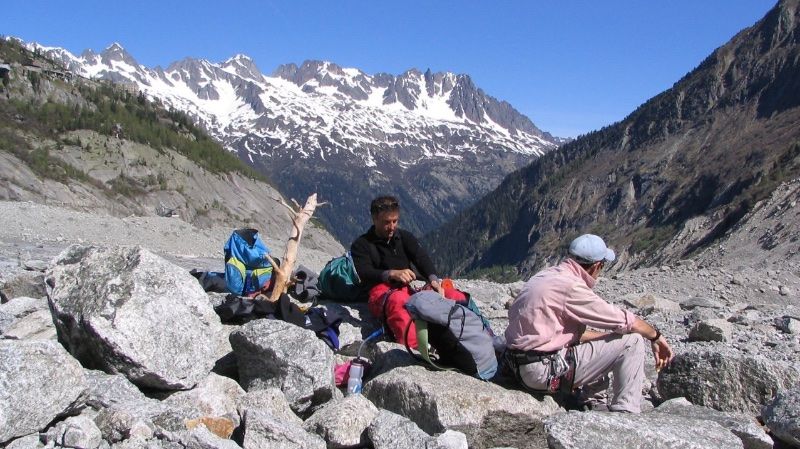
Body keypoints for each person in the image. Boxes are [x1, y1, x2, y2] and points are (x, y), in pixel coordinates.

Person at [504, 234, 674, 413]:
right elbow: (627, 322)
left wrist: (609, 339)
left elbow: (570, 335)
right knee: (633, 341)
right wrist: (656, 337)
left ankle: (588, 401)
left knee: (602, 342)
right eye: (602, 265)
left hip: (517, 366)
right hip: (541, 372)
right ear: (595, 266)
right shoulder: (571, 287)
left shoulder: (546, 275)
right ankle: (626, 412)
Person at [351, 196, 464, 347]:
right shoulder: (361, 245)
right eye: (386, 222)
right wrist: (391, 273)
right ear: (374, 219)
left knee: (451, 294)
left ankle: (470, 336)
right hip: (380, 293)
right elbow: (364, 272)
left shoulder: (404, 237)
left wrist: (434, 280)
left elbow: (421, 258)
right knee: (398, 300)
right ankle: (415, 349)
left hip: (407, 289)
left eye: (395, 221)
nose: (392, 227)